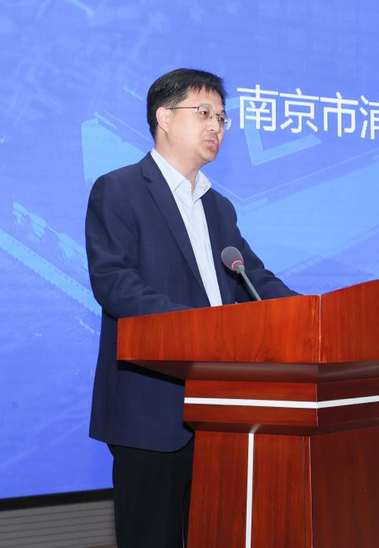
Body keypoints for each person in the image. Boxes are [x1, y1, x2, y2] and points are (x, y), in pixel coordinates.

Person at [85, 68, 296, 547]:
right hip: (151, 410)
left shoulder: (218, 207)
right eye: (204, 113)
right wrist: (204, 328)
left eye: (221, 117)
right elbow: (116, 284)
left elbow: (253, 278)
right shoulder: (119, 190)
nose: (216, 126)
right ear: (164, 117)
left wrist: (312, 313)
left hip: (219, 411)